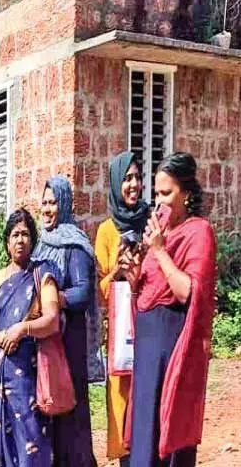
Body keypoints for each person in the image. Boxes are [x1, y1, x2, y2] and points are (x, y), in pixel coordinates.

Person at [124, 153, 216, 466]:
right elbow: (148, 290)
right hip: (148, 343)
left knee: (168, 422)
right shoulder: (158, 229)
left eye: (167, 193)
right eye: (157, 194)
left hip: (172, 341)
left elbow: (187, 292)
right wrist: (134, 276)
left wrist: (161, 252)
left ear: (187, 194)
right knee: (145, 424)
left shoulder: (198, 232)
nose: (159, 202)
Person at [0, 209, 61, 467]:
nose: (20, 240)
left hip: (29, 379)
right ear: (7, 242)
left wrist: (22, 329)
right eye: (15, 234)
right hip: (2, 375)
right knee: (4, 450)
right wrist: (5, 335)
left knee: (31, 446)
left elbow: (52, 320)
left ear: (33, 240)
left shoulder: (41, 276)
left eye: (25, 234)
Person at [32, 176, 97, 466]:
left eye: (53, 202)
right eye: (44, 202)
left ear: (65, 204)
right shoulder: (40, 245)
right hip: (47, 343)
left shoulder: (74, 243)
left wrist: (54, 298)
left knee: (72, 414)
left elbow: (83, 292)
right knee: (49, 411)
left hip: (69, 344)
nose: (47, 209)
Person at [95, 151, 148, 466]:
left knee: (148, 393)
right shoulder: (105, 231)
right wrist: (117, 269)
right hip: (120, 332)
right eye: (127, 178)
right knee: (120, 401)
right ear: (116, 183)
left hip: (149, 321)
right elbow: (100, 290)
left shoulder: (150, 220)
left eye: (138, 178)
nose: (133, 185)